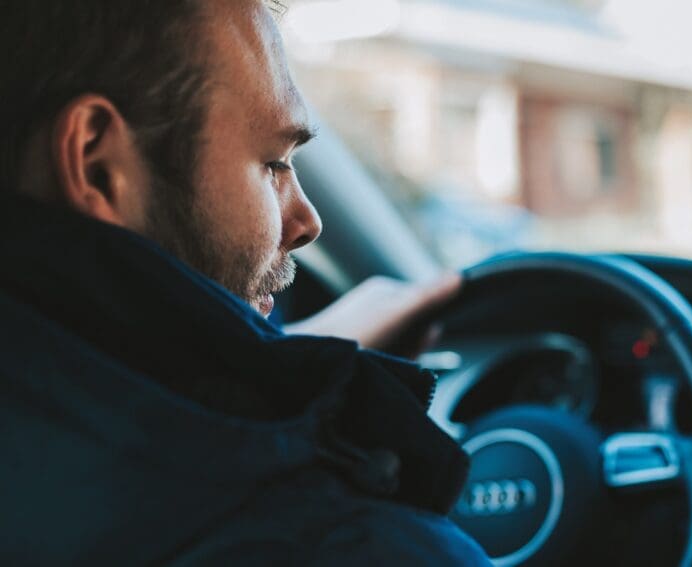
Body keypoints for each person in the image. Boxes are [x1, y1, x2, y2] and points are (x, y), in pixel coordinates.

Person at [0, 0, 488, 564]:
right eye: (274, 163)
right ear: (98, 166)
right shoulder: (340, 543)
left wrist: (286, 363)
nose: (307, 221)